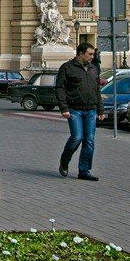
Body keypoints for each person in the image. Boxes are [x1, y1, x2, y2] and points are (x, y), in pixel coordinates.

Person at [56, 42, 105, 181]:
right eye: (89, 54)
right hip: (74, 109)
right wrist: (63, 108)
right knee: (77, 137)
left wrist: (100, 109)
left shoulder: (93, 69)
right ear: (80, 54)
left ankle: (84, 171)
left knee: (89, 141)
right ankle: (64, 161)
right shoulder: (67, 68)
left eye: (93, 54)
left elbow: (97, 90)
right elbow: (60, 88)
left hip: (91, 110)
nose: (92, 57)